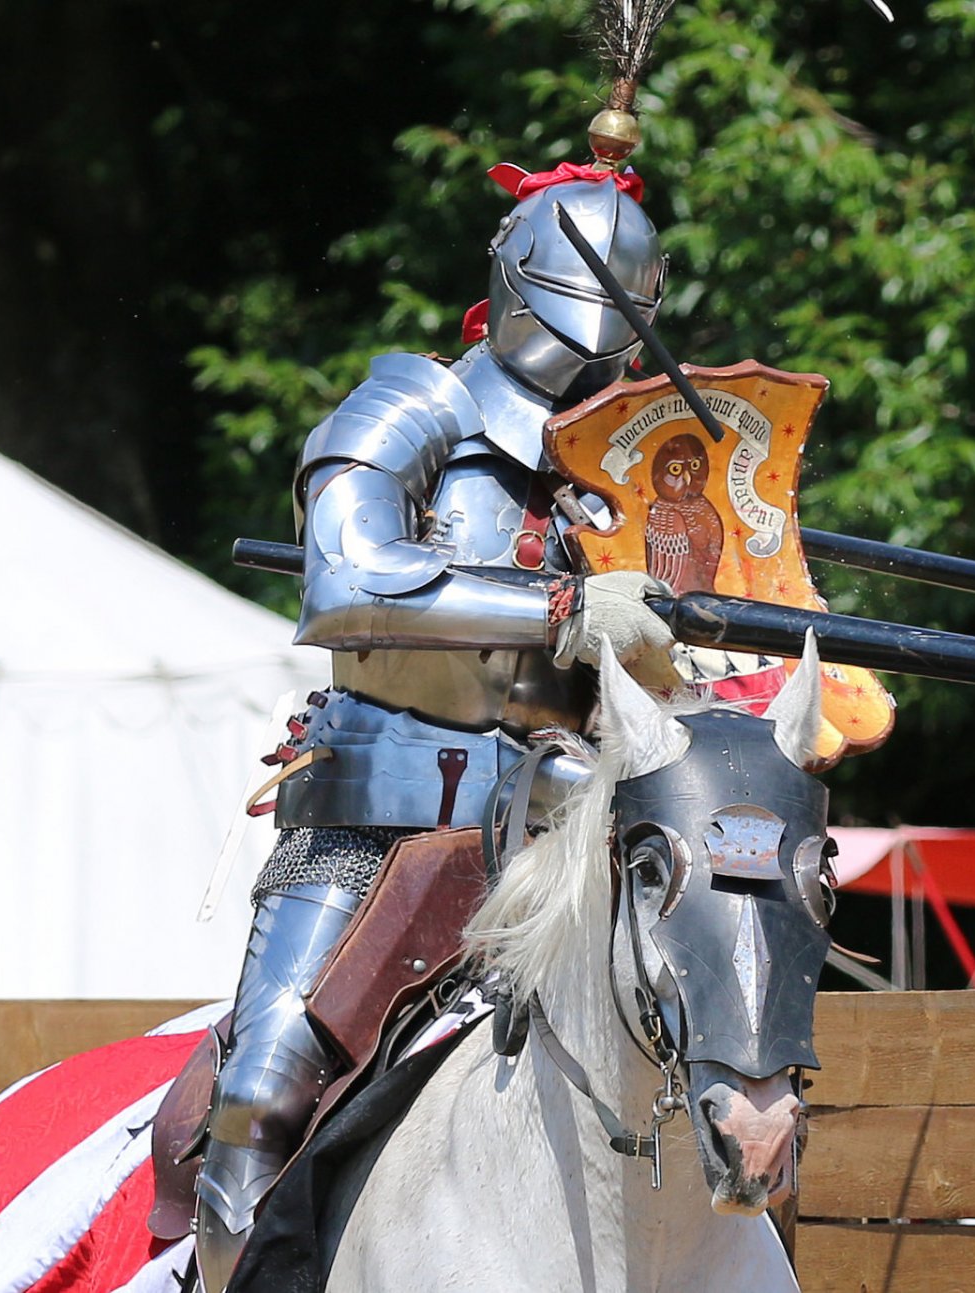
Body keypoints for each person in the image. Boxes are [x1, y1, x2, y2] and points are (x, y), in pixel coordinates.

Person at [192, 161, 681, 1290]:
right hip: (381, 823)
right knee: (261, 1095)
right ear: (509, 288)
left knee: (725, 1062)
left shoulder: (636, 462)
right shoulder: (411, 410)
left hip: (573, 833)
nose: (588, 365)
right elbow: (348, 579)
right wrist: (562, 608)